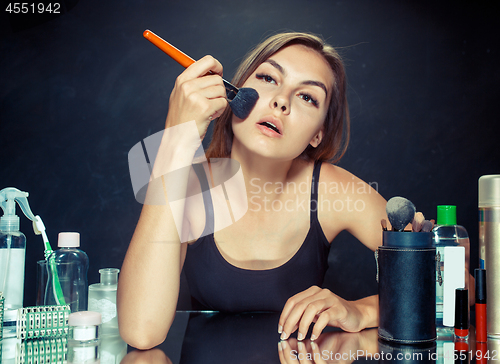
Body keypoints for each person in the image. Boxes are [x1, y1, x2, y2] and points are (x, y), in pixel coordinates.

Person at [117, 32, 388, 350]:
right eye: (268, 77)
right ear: (232, 93)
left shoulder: (333, 189)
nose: (281, 101)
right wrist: (177, 138)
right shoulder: (188, 187)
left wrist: (361, 310)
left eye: (307, 97)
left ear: (318, 134)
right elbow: (140, 331)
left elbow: (453, 283)